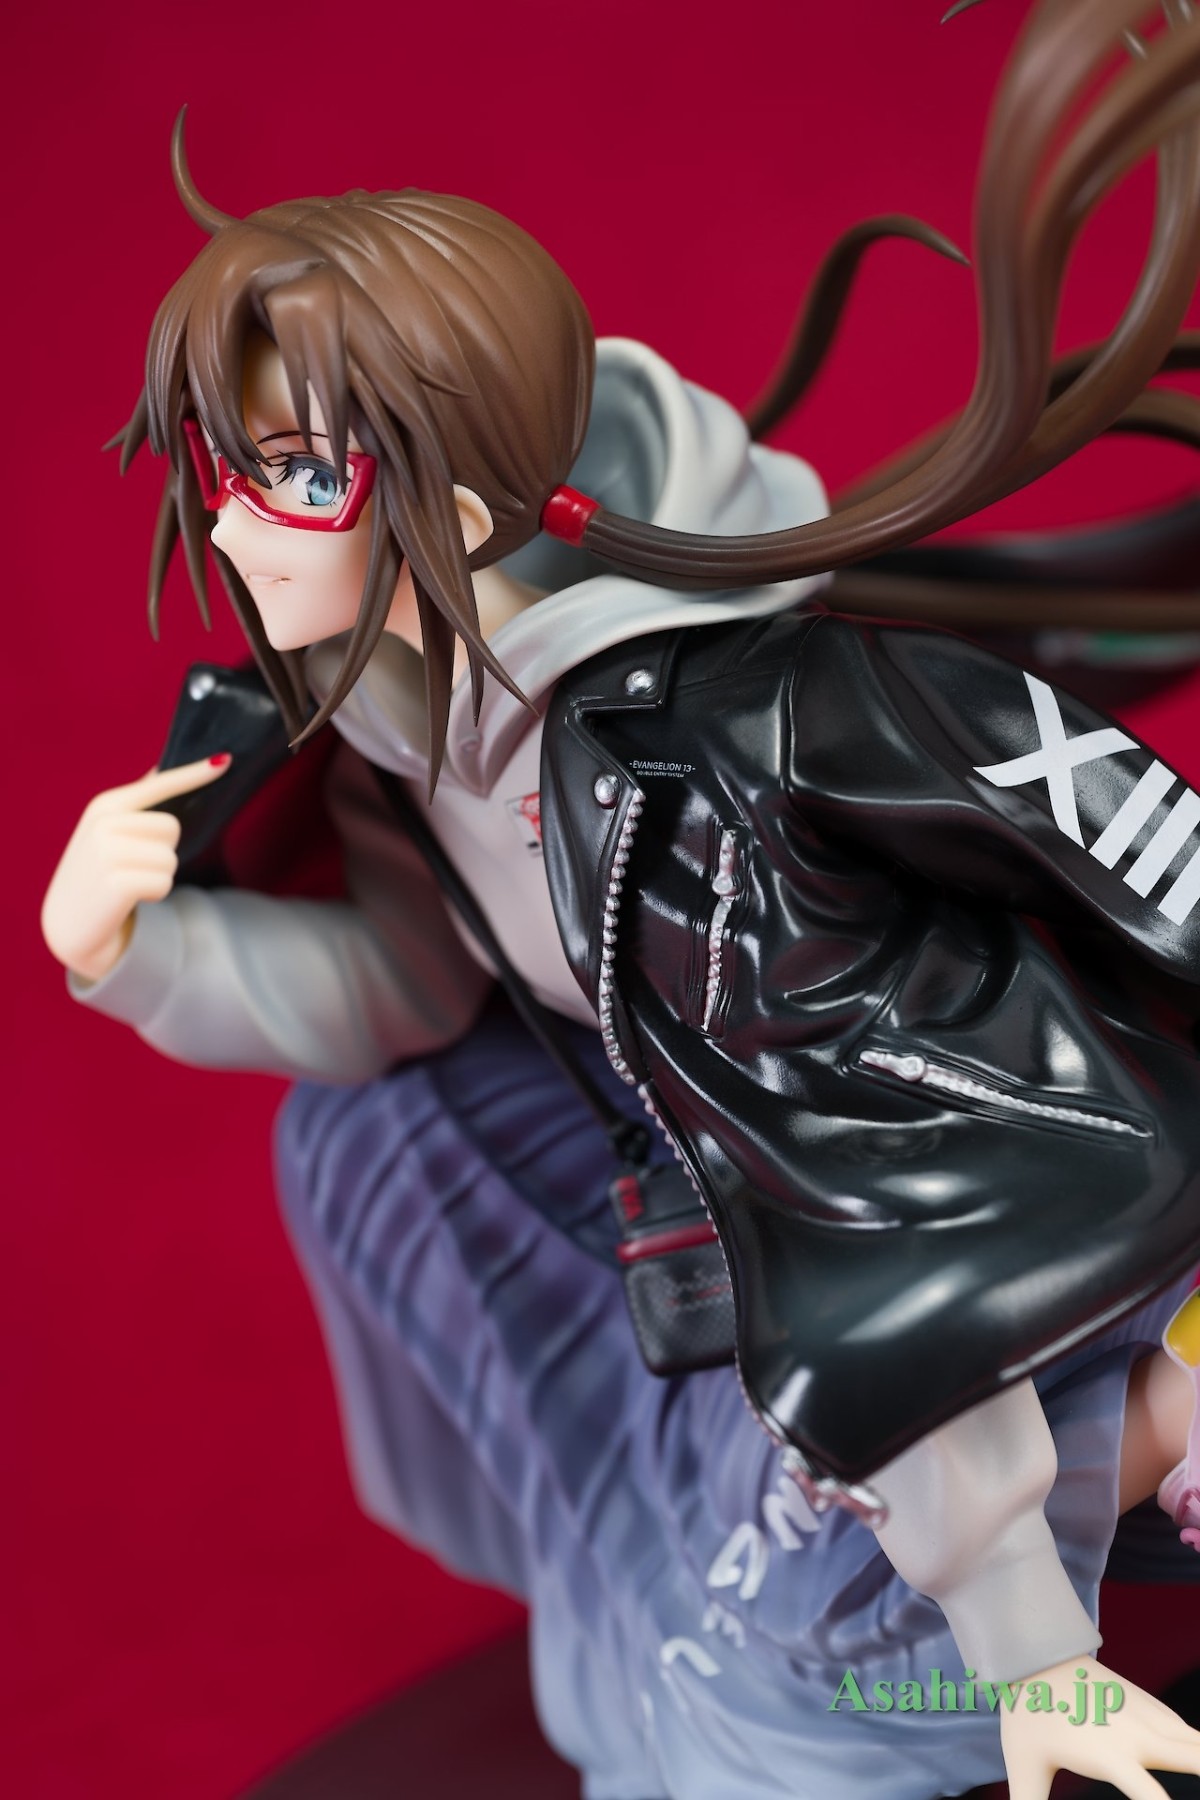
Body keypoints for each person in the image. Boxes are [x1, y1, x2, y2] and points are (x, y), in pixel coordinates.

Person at [39, 3, 1200, 1793]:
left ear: (461, 497)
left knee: (774, 1705)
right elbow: (414, 987)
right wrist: (136, 949)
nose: (236, 524)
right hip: (749, 1208)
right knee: (361, 1157)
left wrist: (1037, 1655)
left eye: (303, 474)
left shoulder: (731, 744)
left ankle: (1142, 1431)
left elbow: (899, 1160)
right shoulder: (406, 726)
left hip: (996, 1193)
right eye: (229, 467)